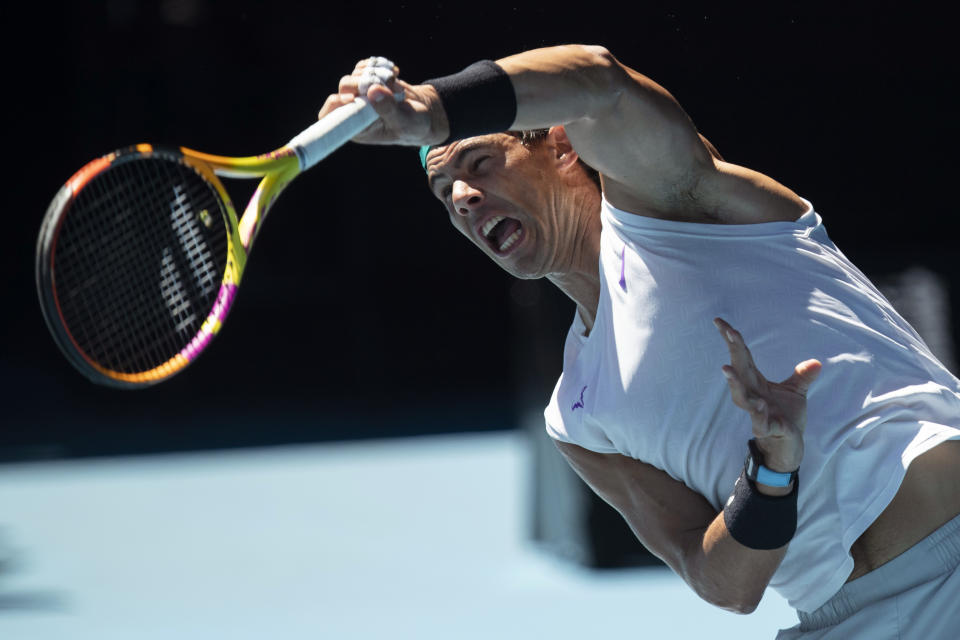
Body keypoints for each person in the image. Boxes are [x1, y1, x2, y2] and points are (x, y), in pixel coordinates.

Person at [320, 48, 960, 638]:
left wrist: (434, 107)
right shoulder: (576, 415)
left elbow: (600, 81)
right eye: (445, 192)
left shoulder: (675, 212)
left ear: (563, 146)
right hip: (849, 620)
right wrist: (772, 466)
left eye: (479, 163)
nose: (462, 197)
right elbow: (723, 584)